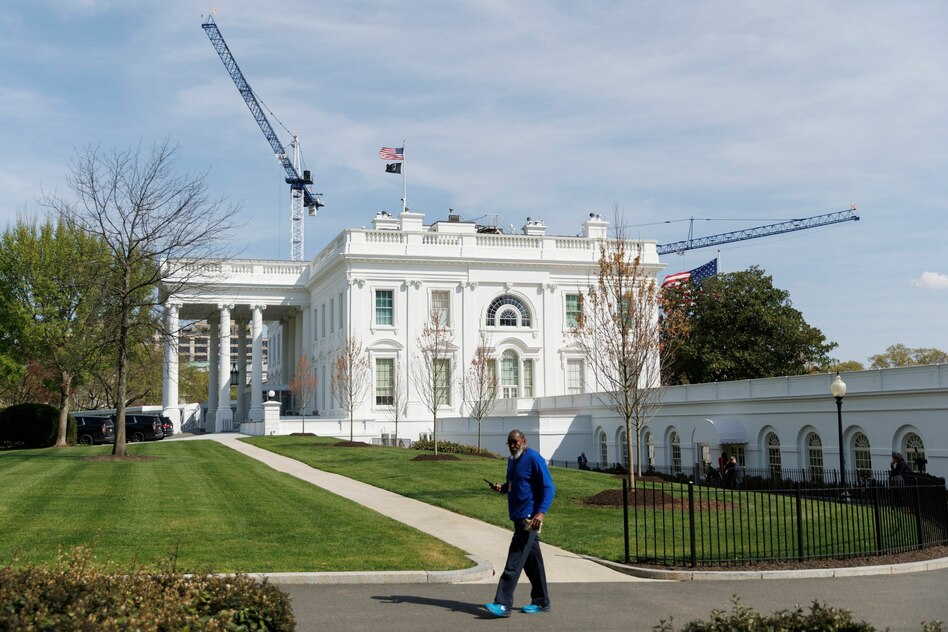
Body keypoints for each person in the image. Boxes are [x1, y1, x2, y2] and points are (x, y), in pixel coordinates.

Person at [484, 430, 555, 617]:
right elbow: (513, 485)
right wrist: (501, 488)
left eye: (515, 442)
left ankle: (502, 603)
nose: (512, 446)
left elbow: (549, 487)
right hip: (517, 517)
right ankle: (542, 602)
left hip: (529, 519)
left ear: (523, 441)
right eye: (509, 443)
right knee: (533, 564)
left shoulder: (534, 458)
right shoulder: (512, 460)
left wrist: (541, 513)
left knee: (514, 561)